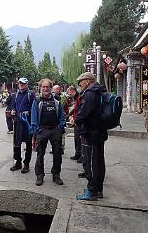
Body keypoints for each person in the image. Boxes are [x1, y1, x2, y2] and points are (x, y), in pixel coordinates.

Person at [75, 72, 108, 201]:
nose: (80, 84)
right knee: (99, 161)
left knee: (91, 162)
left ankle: (92, 191)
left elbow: (85, 113)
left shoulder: (90, 93)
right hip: (100, 132)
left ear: (88, 81)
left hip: (91, 133)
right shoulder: (101, 91)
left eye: (81, 82)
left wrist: (76, 121)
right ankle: (98, 189)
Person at [31, 79, 67, 186]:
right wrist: (37, 130)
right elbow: (33, 117)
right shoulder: (37, 101)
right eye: (43, 87)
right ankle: (39, 176)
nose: (45, 89)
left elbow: (62, 115)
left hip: (55, 130)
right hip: (42, 130)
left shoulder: (56, 100)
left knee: (57, 154)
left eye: (47, 87)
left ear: (51, 88)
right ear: (40, 88)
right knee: (40, 154)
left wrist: (60, 127)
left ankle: (56, 175)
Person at [10, 77, 36, 173]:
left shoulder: (31, 94)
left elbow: (34, 107)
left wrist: (28, 112)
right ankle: (18, 162)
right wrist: (13, 110)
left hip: (27, 123)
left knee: (28, 144)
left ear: (27, 84)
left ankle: (26, 164)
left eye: (23, 83)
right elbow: (13, 105)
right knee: (16, 143)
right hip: (17, 122)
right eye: (20, 83)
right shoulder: (15, 95)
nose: (21, 85)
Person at [67, 86, 82, 163]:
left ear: (73, 91)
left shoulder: (80, 97)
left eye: (70, 94)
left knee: (79, 139)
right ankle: (77, 154)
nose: (69, 96)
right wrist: (69, 114)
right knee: (76, 138)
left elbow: (79, 109)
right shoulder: (76, 98)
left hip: (79, 121)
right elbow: (75, 109)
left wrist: (74, 118)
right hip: (76, 121)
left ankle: (81, 156)